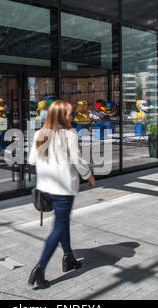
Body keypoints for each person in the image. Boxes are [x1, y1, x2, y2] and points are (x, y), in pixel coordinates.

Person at [27, 100, 96, 289]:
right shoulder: (69, 134)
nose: (72, 117)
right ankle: (39, 269)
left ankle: (68, 257)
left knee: (62, 222)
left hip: (45, 188)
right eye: (69, 114)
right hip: (64, 189)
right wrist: (88, 175)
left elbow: (32, 159)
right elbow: (76, 159)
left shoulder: (40, 134)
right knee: (59, 226)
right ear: (59, 115)